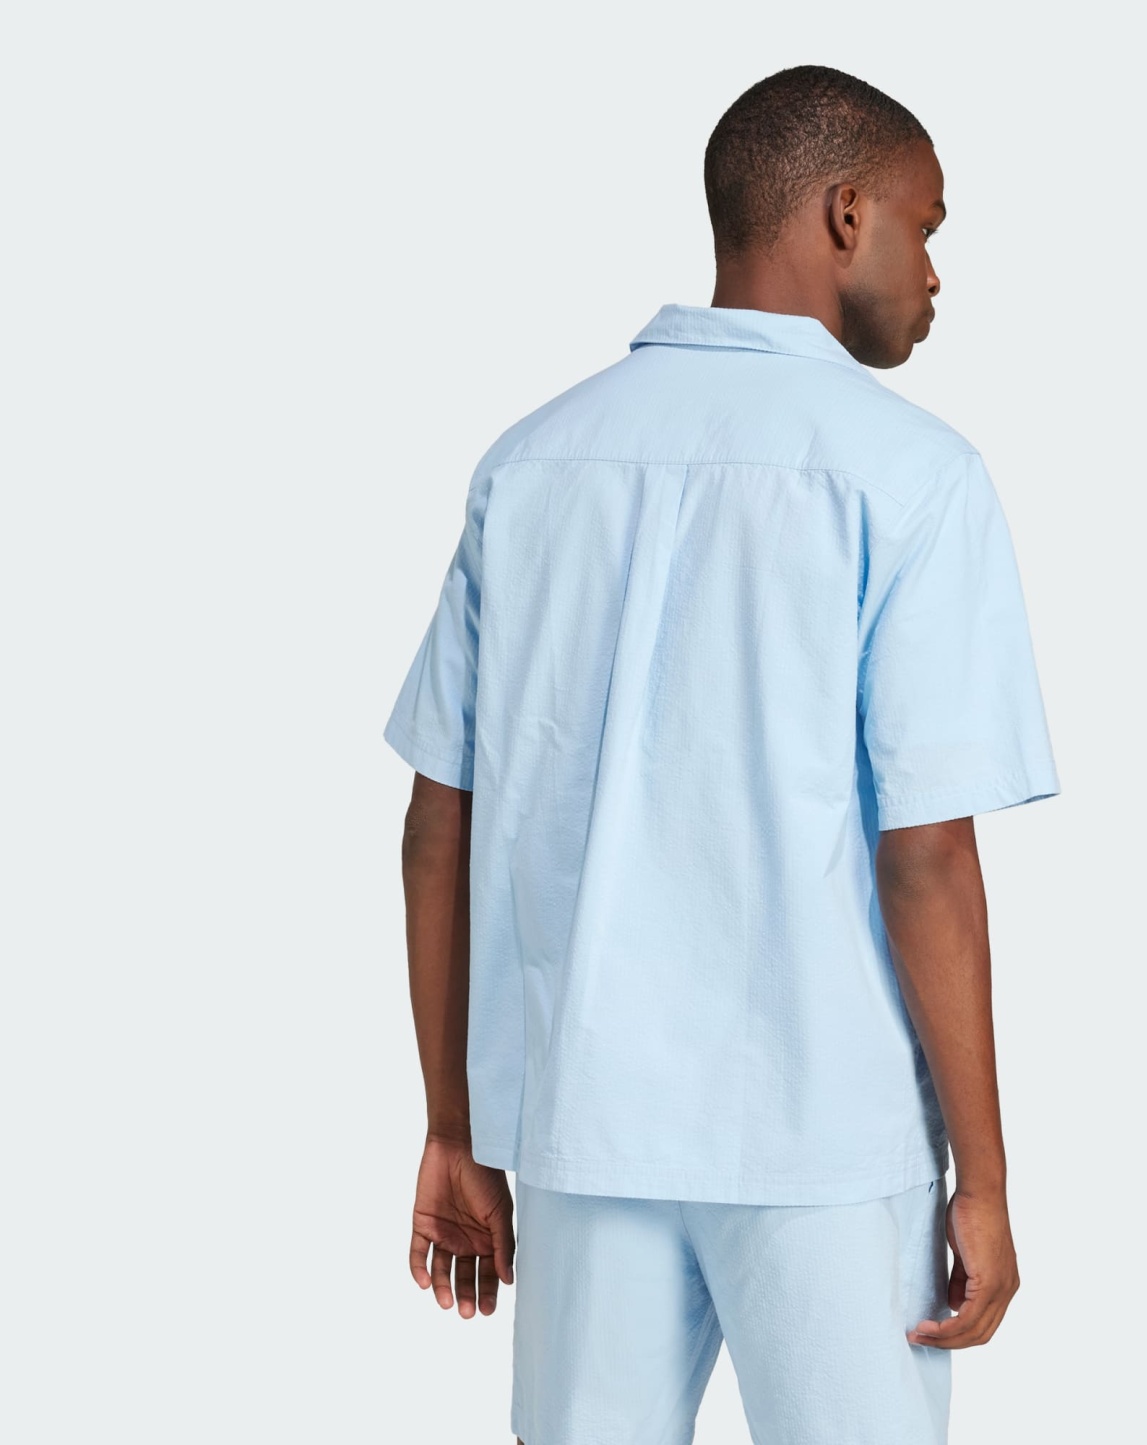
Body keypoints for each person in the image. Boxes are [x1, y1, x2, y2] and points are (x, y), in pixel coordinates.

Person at [383, 63, 1060, 1445]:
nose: (936, 271)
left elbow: (439, 818)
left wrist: (454, 1126)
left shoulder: (533, 464)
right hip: (826, 1136)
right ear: (846, 213)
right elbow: (927, 855)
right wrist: (985, 1181)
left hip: (584, 1128)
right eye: (927, 227)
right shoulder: (911, 474)